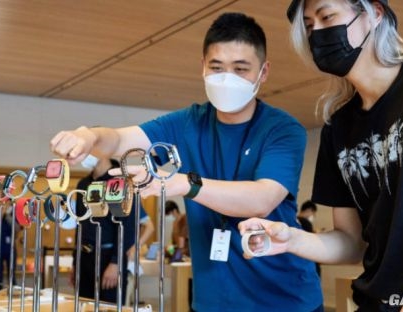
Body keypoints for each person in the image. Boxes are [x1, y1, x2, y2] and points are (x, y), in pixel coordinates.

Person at [50, 12, 323, 312]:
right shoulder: (187, 123)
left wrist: (184, 184)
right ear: (203, 67)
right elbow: (118, 138)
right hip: (211, 301)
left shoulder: (282, 129)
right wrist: (90, 136)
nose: (227, 78)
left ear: (264, 71)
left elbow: (261, 199)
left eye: (241, 69)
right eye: (217, 67)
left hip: (283, 300)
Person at [240, 1, 403, 311]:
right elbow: (351, 242)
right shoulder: (338, 128)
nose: (318, 32)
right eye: (310, 25)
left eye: (328, 16)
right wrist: (290, 239)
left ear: (374, 14)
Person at [73, 158, 154, 304]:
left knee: (109, 305)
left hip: (109, 257)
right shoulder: (83, 184)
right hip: (84, 257)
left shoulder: (121, 182)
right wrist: (75, 262)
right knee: (83, 304)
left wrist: (116, 262)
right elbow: (79, 225)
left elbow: (128, 227)